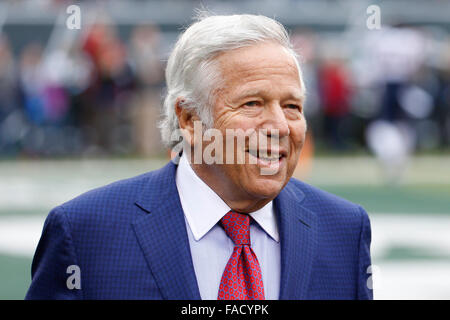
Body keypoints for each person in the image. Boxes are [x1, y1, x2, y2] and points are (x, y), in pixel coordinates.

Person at [26, 13, 373, 300]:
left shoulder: (344, 230)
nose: (280, 126)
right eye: (252, 103)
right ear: (190, 119)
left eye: (292, 106)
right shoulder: (86, 232)